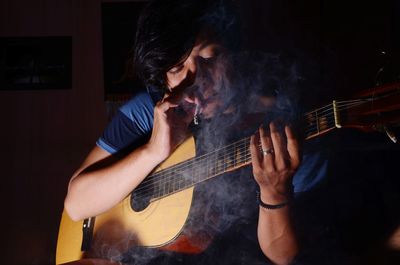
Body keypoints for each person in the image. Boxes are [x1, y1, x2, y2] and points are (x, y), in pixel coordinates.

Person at [64, 0, 304, 264]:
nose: (196, 77)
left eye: (210, 57)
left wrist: (275, 192)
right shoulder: (149, 111)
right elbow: (77, 205)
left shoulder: (277, 126)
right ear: (163, 78)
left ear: (234, 56)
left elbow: (284, 257)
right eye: (177, 68)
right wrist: (153, 151)